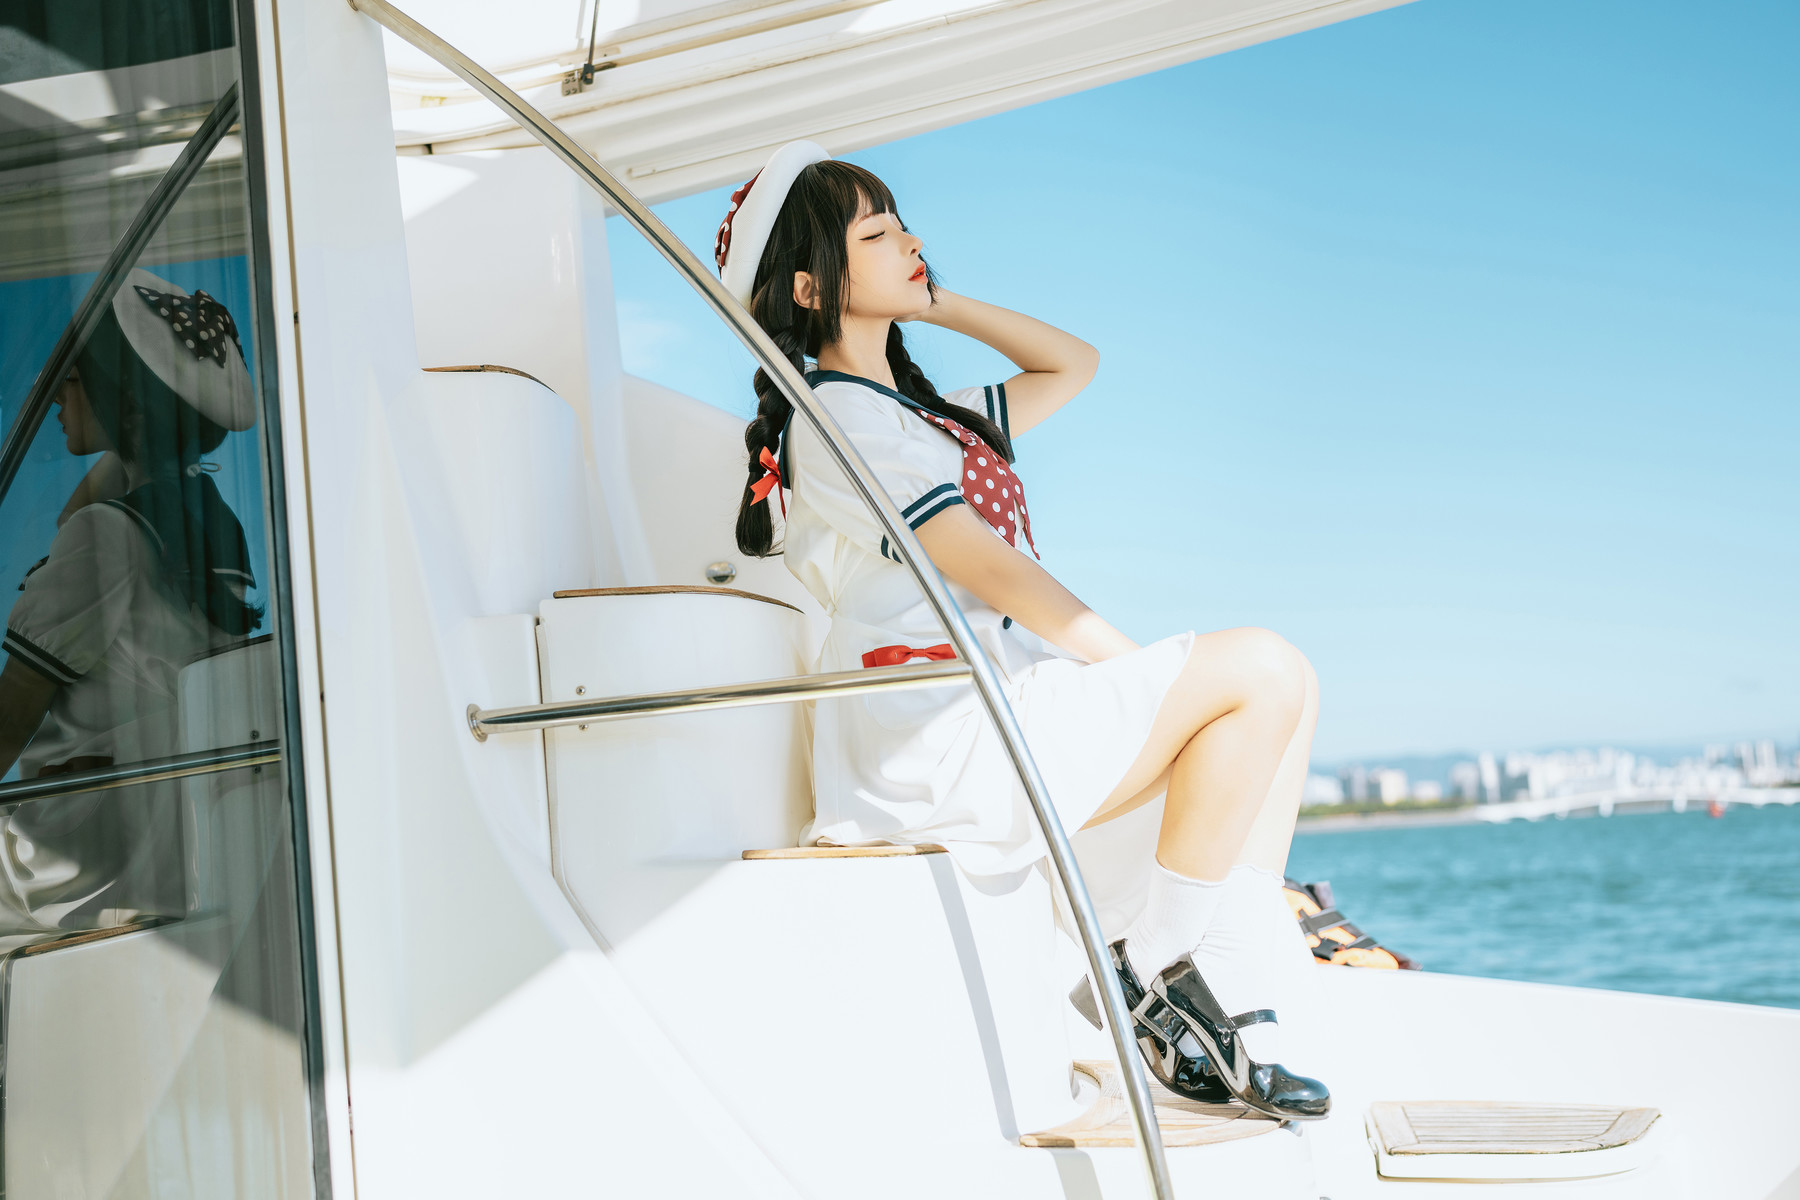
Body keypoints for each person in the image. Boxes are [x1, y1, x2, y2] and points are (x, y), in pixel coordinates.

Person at [717, 142, 1329, 1119]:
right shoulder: (836, 419)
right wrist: (1142, 673)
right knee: (1262, 672)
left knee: (1286, 704)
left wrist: (934, 304)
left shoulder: (927, 414)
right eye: (878, 234)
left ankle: (1220, 988)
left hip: (1005, 699)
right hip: (940, 735)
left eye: (906, 226)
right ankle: (1152, 969)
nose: (911, 241)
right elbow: (989, 568)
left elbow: (1071, 364)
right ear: (811, 285)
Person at [0, 268, 260, 944]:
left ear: (126, 407)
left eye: (74, 379)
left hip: (73, 855)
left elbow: (11, 715)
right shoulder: (204, 525)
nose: (55, 396)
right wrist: (137, 445)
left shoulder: (106, 537)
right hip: (156, 843)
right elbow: (86, 511)